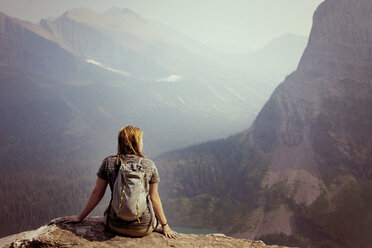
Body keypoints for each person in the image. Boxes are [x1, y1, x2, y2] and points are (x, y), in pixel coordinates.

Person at [59, 125, 177, 239]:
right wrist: (165, 226)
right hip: (143, 228)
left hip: (114, 226)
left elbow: (97, 193)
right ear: (136, 143)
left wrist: (80, 217)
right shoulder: (149, 165)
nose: (142, 143)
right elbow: (154, 197)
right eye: (141, 140)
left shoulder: (109, 163)